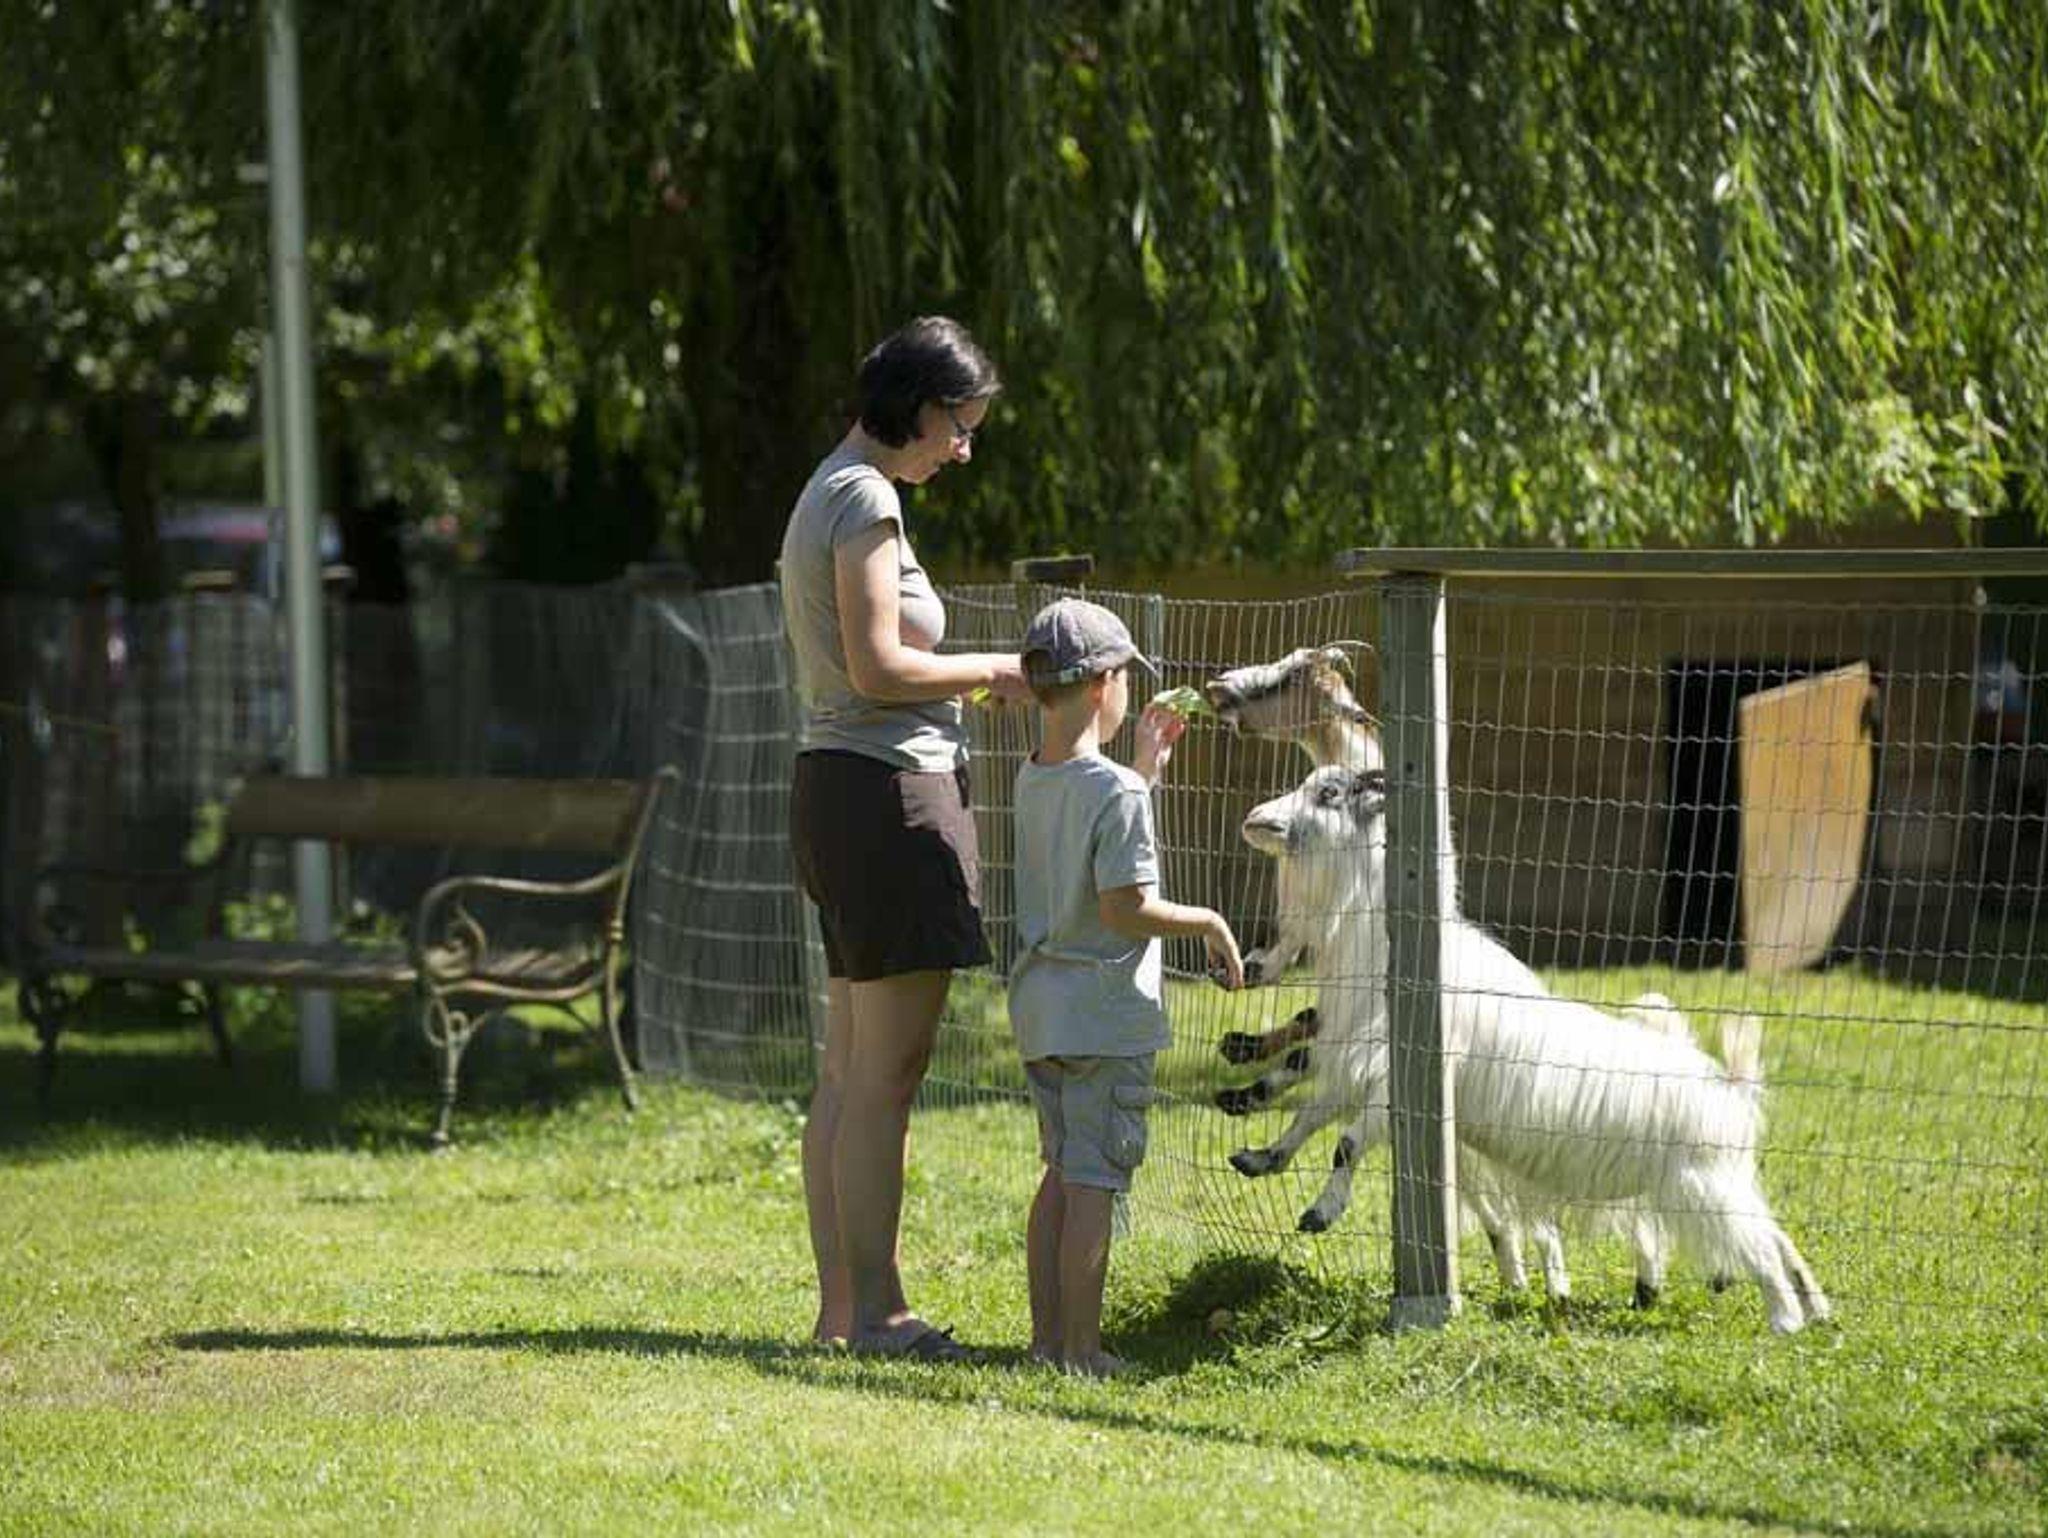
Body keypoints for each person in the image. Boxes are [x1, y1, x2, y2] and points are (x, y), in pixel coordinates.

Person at [779, 315, 1032, 1361]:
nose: (962, 450)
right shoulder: (866, 499)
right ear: (918, 407)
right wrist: (996, 671)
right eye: (958, 426)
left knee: (849, 1073)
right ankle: (879, 1314)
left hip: (840, 791)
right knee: (885, 1075)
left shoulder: (829, 489)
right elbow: (878, 666)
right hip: (888, 797)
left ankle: (842, 1312)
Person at [1008, 598, 1243, 1377]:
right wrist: (1209, 921)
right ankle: (1083, 1351)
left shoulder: (1033, 777)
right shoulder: (1116, 793)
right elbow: (1123, 908)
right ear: (1103, 683)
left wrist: (1143, 770)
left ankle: (1047, 1343)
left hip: (1043, 1011)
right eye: (1125, 681)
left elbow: (1091, 831)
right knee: (1096, 1182)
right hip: (1104, 1019)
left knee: (1060, 1173)